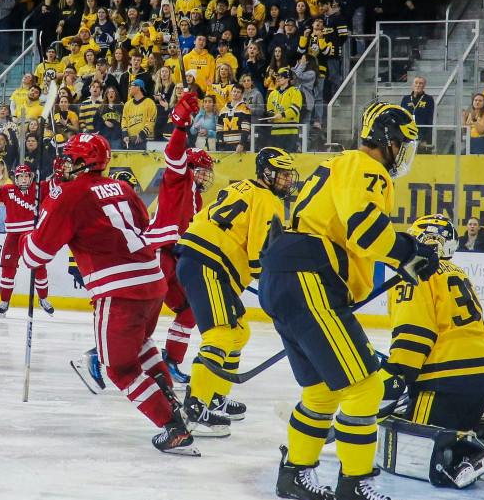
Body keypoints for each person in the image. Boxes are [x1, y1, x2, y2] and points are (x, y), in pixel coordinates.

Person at [262, 104, 438, 500]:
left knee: (322, 393)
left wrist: (400, 258)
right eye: (402, 144)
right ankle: (354, 489)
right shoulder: (366, 166)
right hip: (309, 278)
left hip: (285, 277)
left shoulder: (338, 163)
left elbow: (348, 231)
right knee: (365, 385)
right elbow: (365, 229)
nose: (402, 154)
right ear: (388, 140)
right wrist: (409, 252)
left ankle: (295, 481)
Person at [22, 134, 198, 455]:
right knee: (142, 345)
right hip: (152, 283)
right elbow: (143, 225)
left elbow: (34, 255)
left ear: (82, 162)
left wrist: (41, 217)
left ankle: (173, 426)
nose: (63, 163)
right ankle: (171, 402)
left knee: (120, 368)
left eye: (70, 157)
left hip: (118, 291)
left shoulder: (71, 195)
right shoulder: (123, 187)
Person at [381, 214, 484, 489]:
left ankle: (466, 454)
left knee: (413, 445)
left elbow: (414, 334)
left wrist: (398, 376)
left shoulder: (413, 275)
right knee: (452, 424)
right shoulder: (457, 272)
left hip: (445, 378)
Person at [173, 147, 299, 432]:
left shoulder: (244, 187)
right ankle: (195, 406)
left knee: (239, 331)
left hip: (202, 259)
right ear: (267, 173)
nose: (287, 181)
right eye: (282, 175)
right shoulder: (268, 200)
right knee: (222, 333)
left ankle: (216, 397)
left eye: (289, 175)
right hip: (210, 262)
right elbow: (258, 258)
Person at [144, 91, 213, 384]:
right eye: (203, 170)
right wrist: (181, 125)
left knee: (188, 310)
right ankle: (103, 351)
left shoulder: (197, 199)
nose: (206, 176)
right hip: (159, 253)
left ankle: (170, 360)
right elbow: (174, 154)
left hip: (176, 259)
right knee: (144, 311)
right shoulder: (178, 177)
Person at [0, 164, 54, 316]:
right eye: (20, 176)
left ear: (30, 177)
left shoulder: (39, 189)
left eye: (26, 176)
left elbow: (58, 184)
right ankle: (5, 301)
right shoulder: (8, 190)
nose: (23, 179)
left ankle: (43, 299)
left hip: (32, 234)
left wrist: (59, 171)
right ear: (16, 178)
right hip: (13, 235)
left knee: (39, 267)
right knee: (8, 268)